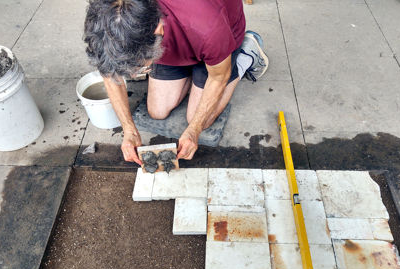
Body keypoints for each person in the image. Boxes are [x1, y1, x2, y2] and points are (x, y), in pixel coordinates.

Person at [84, 0, 268, 163]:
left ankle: (245, 55)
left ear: (158, 29)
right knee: (157, 111)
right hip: (182, 39)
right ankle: (190, 66)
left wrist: (194, 130)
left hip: (219, 38)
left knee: (199, 118)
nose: (134, 73)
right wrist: (128, 129)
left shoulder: (209, 26)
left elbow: (218, 78)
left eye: (140, 67)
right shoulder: (108, 14)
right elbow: (110, 72)